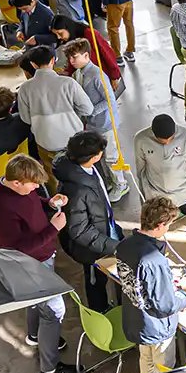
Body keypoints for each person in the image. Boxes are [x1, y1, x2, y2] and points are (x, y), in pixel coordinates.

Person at [0, 155, 79, 373]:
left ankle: (35, 335)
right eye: (33, 184)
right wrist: (53, 229)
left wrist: (49, 202)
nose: (37, 188)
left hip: (42, 257)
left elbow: (33, 202)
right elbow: (18, 249)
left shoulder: (20, 189)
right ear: (16, 182)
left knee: (37, 302)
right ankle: (49, 371)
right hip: (30, 264)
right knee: (55, 310)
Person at [115, 196, 186, 373]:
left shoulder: (124, 245)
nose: (168, 229)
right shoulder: (155, 261)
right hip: (157, 328)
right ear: (159, 226)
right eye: (168, 225)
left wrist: (164, 282)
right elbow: (166, 305)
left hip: (137, 321)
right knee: (163, 372)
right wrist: (184, 299)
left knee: (146, 363)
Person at [52, 130, 120, 306]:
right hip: (90, 249)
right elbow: (80, 231)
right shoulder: (76, 190)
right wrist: (112, 245)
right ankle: (100, 310)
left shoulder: (87, 168)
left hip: (104, 225)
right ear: (93, 157)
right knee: (96, 281)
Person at [61, 38, 126, 199]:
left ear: (86, 56)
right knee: (100, 156)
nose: (71, 61)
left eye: (74, 57)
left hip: (106, 123)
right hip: (92, 125)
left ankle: (121, 184)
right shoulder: (78, 73)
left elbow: (110, 100)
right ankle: (112, 181)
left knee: (111, 156)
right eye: (69, 58)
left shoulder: (97, 75)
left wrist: (90, 111)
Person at [15, 44, 93, 160]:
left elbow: (26, 119)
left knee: (51, 172)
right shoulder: (68, 83)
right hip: (73, 141)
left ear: (33, 64)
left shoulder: (25, 88)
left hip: (45, 143)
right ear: (53, 60)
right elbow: (88, 109)